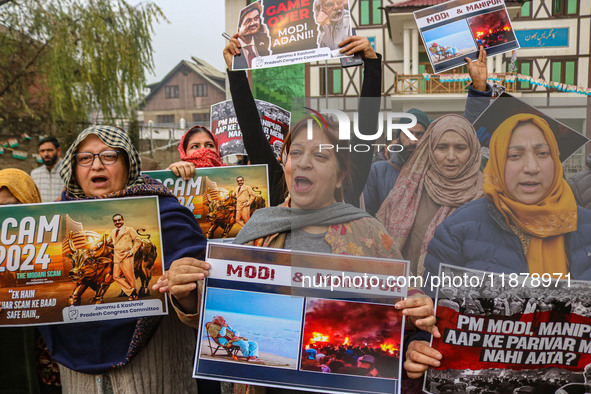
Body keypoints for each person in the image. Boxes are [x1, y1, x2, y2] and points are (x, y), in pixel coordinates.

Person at [404, 113, 591, 380]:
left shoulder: (588, 229)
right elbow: (433, 318)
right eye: (514, 155)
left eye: (542, 153)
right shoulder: (458, 230)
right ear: (497, 162)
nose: (531, 167)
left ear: (556, 160)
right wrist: (420, 346)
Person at [37, 125, 208, 393]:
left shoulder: (166, 213)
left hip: (155, 370)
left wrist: (185, 291)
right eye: (85, 158)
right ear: (73, 168)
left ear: (128, 164)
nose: (96, 166)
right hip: (78, 377)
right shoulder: (50, 223)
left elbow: (205, 294)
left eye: (108, 156)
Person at [224, 34, 382, 207]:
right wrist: (235, 71)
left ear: (340, 173)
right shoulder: (281, 189)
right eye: (296, 153)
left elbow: (367, 126)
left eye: (320, 155)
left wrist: (372, 62)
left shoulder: (348, 189)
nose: (304, 163)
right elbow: (253, 134)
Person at [377, 114, 484, 276]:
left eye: (460, 148)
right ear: (430, 149)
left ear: (473, 151)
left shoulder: (484, 195)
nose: (450, 157)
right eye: (441, 147)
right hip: (402, 291)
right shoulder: (410, 188)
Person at [363, 108, 430, 216]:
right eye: (408, 134)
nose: (413, 141)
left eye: (419, 135)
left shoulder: (433, 172)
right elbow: (367, 214)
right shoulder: (377, 171)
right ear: (398, 137)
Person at [107, 213, 142, 300]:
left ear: (123, 220)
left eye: (119, 220)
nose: (117, 222)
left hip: (127, 256)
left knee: (129, 276)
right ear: (114, 222)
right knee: (115, 276)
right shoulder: (113, 231)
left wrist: (132, 252)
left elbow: (138, 240)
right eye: (115, 221)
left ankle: (134, 296)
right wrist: (100, 243)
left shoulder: (129, 229)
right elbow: (108, 241)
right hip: (117, 257)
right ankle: (132, 291)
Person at [233, 1, 270, 69]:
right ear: (239, 28)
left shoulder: (266, 38)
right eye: (248, 21)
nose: (253, 23)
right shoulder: (234, 50)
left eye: (256, 18)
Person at [31, 136, 64, 202]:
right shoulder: (35, 174)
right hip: (42, 212)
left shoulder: (68, 171)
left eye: (49, 150)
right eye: (42, 151)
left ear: (58, 151)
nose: (45, 154)